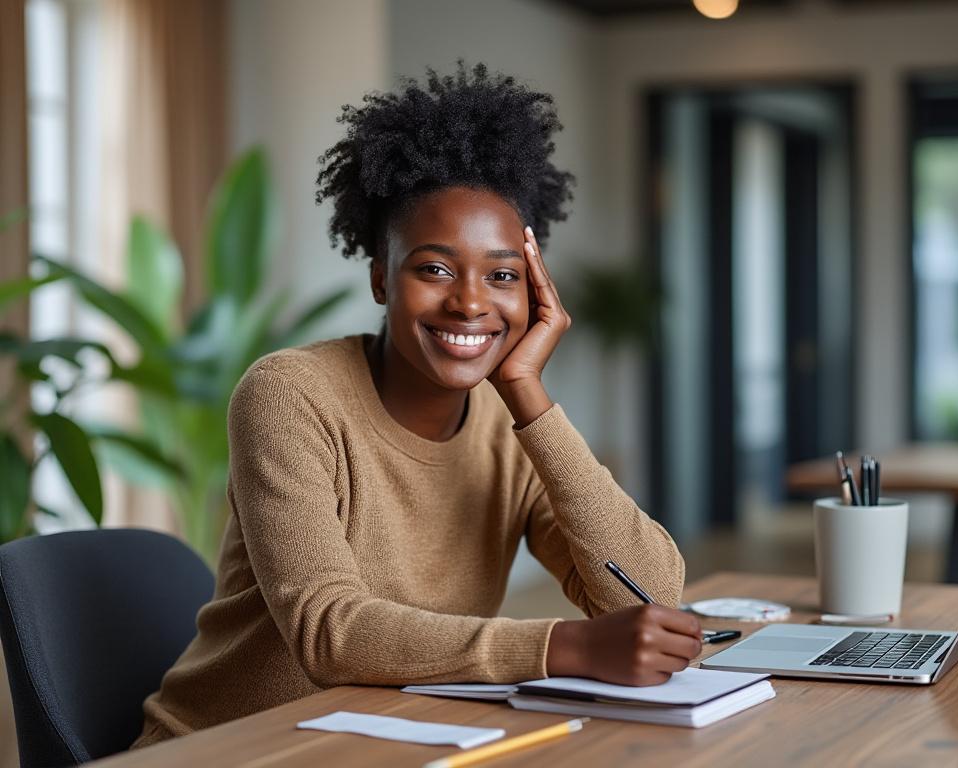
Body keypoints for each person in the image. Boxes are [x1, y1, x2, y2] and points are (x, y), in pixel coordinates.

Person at [131, 62, 700, 749]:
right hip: (232, 750)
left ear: (535, 292)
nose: (469, 300)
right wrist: (564, 647)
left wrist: (527, 394)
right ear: (380, 276)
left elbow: (648, 594)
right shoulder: (289, 394)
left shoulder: (511, 425)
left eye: (502, 275)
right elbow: (328, 629)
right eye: (433, 268)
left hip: (399, 742)